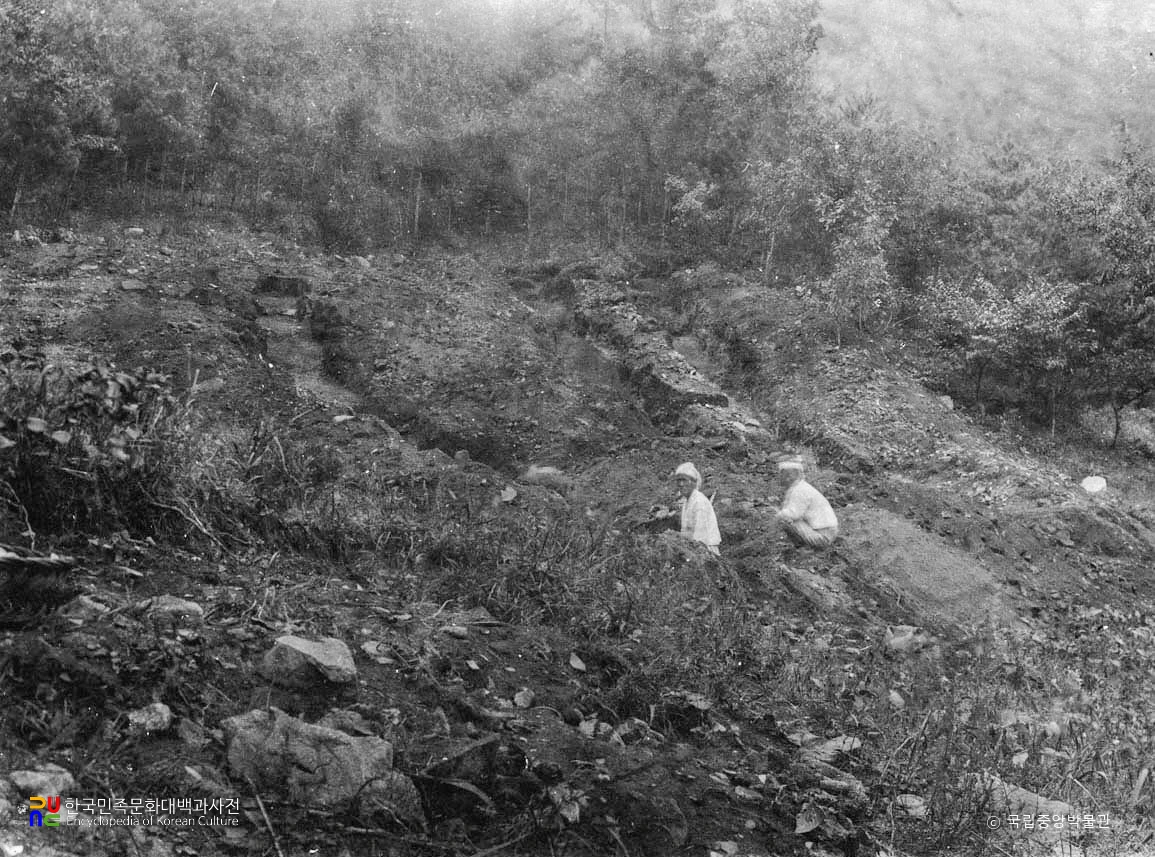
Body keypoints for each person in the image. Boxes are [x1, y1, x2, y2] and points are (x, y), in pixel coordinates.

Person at [775, 460, 839, 550]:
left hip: (822, 537)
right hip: (825, 533)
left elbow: (794, 514)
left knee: (785, 521)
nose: (779, 478)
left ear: (790, 476)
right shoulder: (800, 487)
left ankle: (801, 548)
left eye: (782, 475)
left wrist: (775, 514)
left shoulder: (799, 490)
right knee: (786, 519)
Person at [673, 462, 721, 556]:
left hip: (706, 552)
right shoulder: (687, 501)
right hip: (692, 549)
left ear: (694, 482)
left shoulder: (699, 502)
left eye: (684, 480)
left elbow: (700, 539)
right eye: (678, 480)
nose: (681, 484)